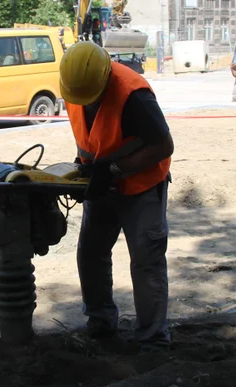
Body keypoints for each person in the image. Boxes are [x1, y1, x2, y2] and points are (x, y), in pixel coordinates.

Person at [59, 41, 174, 351]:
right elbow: (89, 133)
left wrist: (114, 170)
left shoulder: (133, 94)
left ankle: (152, 339)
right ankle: (100, 321)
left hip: (142, 186)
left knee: (146, 262)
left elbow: (163, 146)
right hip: (100, 180)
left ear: (105, 77)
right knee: (90, 253)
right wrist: (83, 169)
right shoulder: (75, 85)